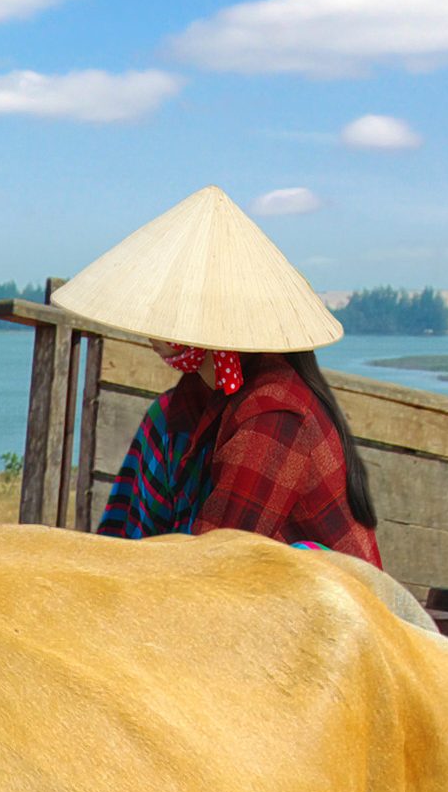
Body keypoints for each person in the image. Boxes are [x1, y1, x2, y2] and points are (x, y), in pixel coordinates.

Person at [51, 186, 384, 568]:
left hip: (327, 614)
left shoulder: (275, 416)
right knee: (162, 424)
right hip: (216, 581)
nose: (151, 331)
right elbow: (129, 534)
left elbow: (213, 566)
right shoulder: (188, 400)